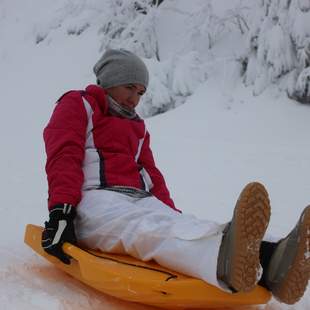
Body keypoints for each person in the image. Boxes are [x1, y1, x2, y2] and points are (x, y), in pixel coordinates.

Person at [41, 49, 310, 305]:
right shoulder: (78, 104)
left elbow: (151, 175)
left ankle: (272, 257)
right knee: (143, 229)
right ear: (111, 80)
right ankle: (222, 261)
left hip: (140, 198)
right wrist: (61, 212)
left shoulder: (137, 126)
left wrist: (173, 215)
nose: (134, 99)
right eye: (129, 88)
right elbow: (63, 155)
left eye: (140, 92)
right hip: (95, 202)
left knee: (179, 224)